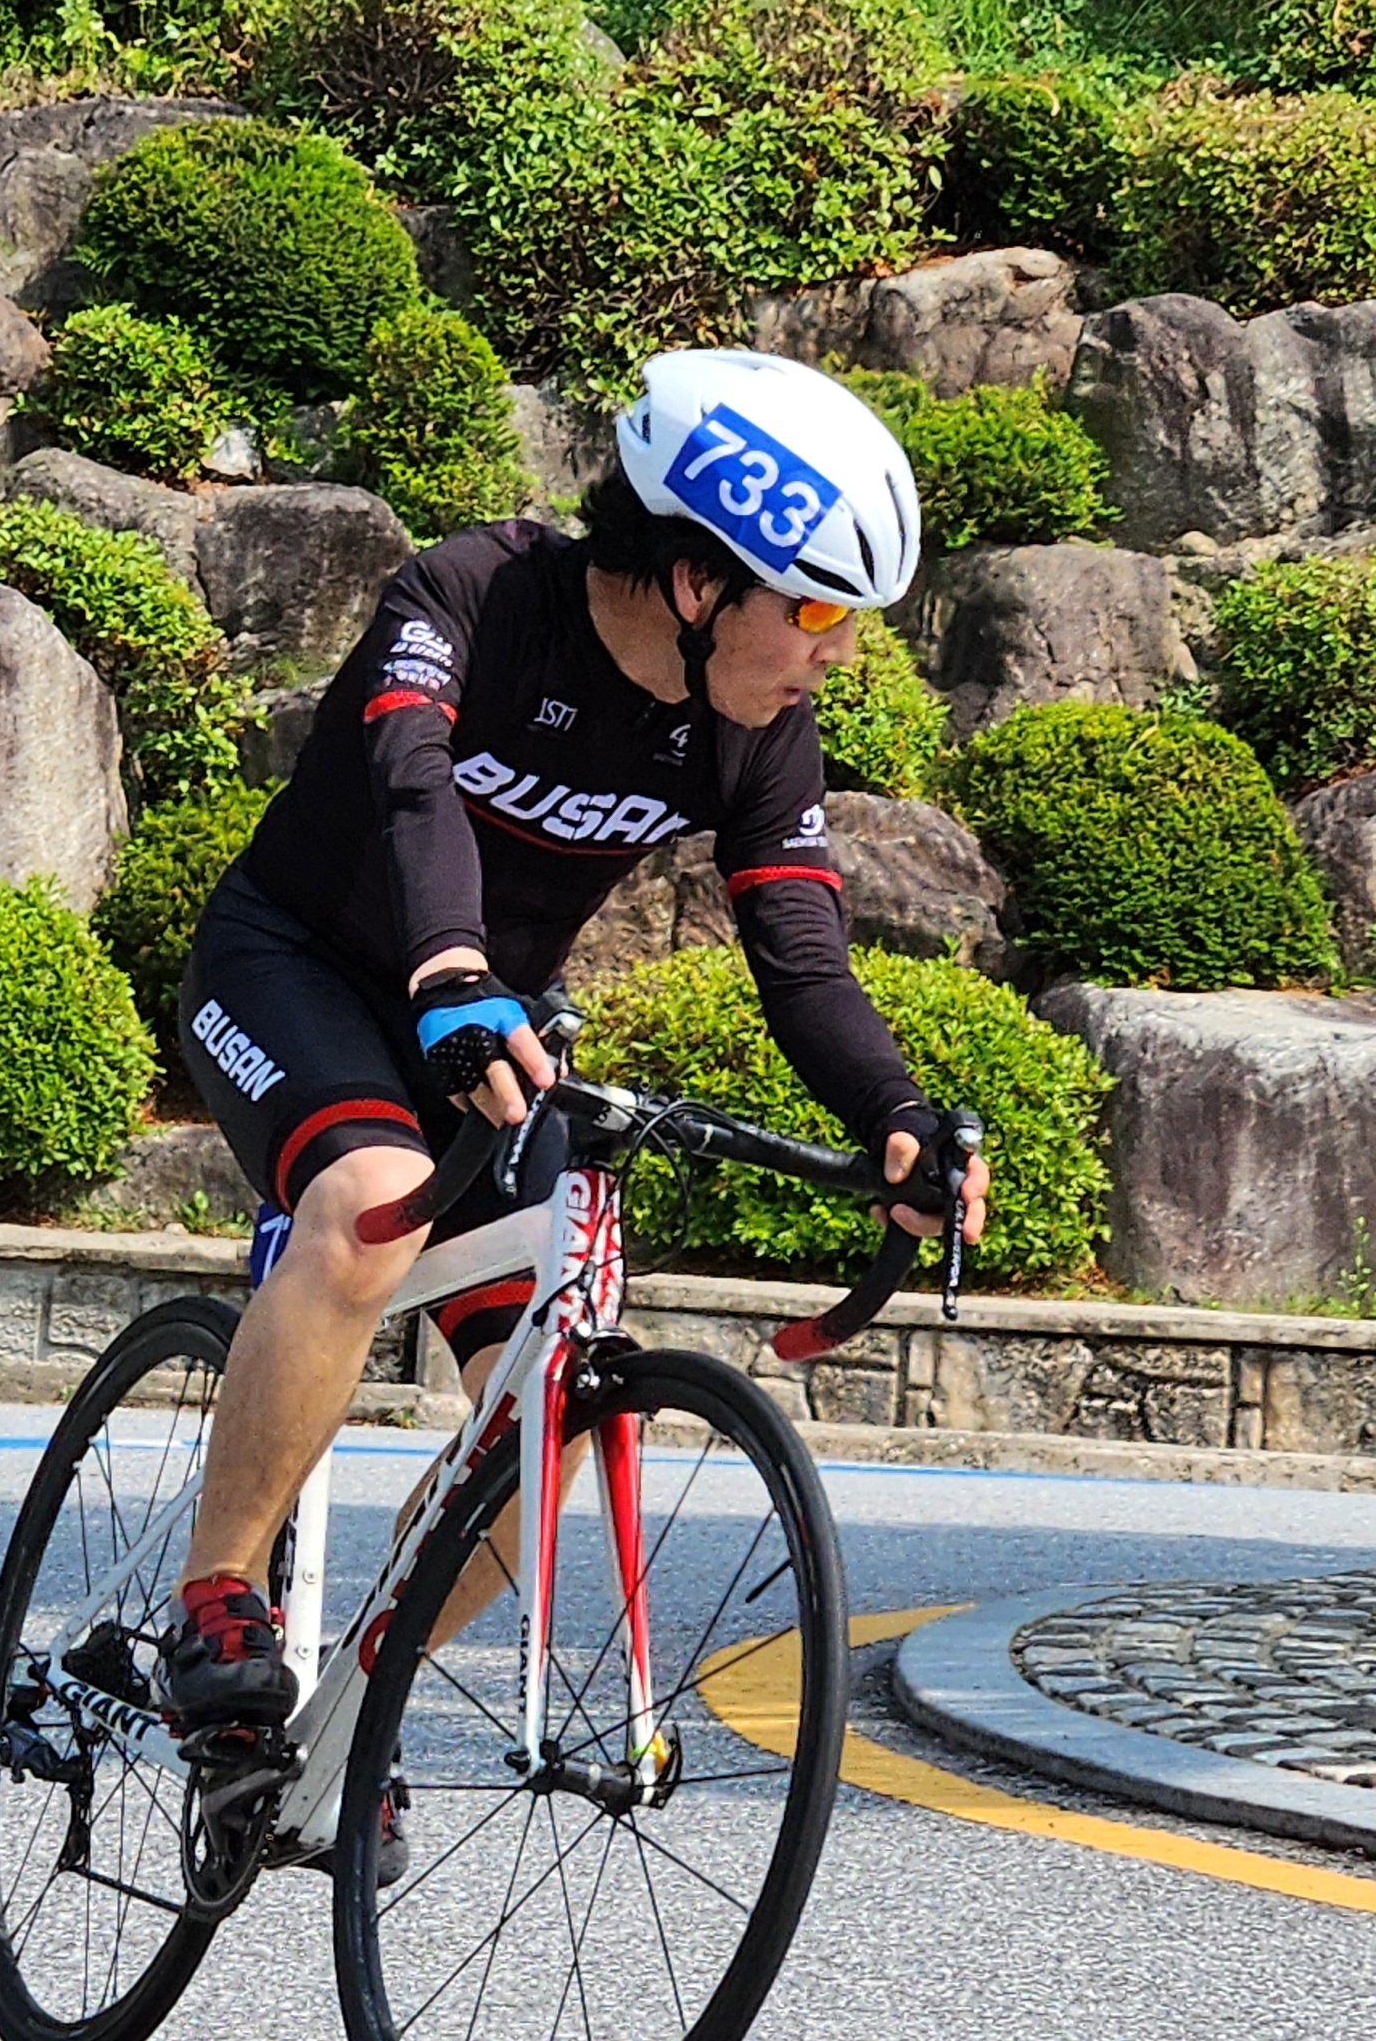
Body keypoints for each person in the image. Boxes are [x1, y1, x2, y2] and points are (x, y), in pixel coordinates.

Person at [156, 347, 990, 1764]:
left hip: (489, 1027)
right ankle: (214, 1596)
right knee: (366, 1209)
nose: (836, 652)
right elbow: (412, 787)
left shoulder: (757, 729)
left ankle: (350, 1721)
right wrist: (449, 968)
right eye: (814, 610)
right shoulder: (471, 598)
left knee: (549, 1408)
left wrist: (894, 1116)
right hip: (296, 968)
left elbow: (799, 952)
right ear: (695, 580)